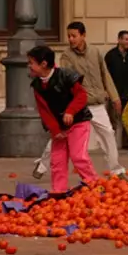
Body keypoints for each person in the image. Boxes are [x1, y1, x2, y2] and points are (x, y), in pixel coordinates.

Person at [32, 22, 127, 180]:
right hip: (77, 106)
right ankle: (42, 165)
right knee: (61, 136)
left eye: (74, 36)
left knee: (108, 134)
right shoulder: (66, 56)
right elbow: (64, 82)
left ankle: (116, 170)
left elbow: (105, 75)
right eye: (69, 36)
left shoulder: (95, 52)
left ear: (83, 35)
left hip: (97, 104)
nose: (70, 39)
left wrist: (114, 96)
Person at [27, 45, 98, 192]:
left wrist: (70, 112)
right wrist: (55, 130)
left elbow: (81, 96)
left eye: (31, 63)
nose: (29, 66)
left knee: (78, 156)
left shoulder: (66, 75)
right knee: (57, 161)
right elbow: (44, 111)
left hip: (78, 122)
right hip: (59, 127)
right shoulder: (37, 85)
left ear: (44, 64)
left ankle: (95, 186)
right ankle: (59, 193)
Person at [104, 30, 128, 149]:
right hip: (114, 94)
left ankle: (127, 144)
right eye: (126, 39)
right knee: (112, 122)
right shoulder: (110, 56)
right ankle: (111, 145)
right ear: (119, 40)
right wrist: (106, 90)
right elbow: (105, 74)